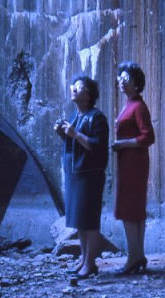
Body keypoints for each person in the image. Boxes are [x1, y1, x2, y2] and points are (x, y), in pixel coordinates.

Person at [54, 75, 109, 278]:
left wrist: (75, 134)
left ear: (89, 95)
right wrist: (63, 134)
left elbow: (97, 146)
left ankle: (90, 262)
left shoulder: (97, 117)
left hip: (89, 175)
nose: (74, 90)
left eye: (80, 88)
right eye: (74, 87)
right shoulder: (75, 115)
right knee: (79, 221)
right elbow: (74, 144)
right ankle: (83, 259)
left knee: (90, 220)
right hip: (75, 174)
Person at [111, 61, 155, 274]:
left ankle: (133, 257)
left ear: (136, 83)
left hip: (134, 162)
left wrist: (122, 144)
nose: (121, 82)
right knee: (134, 210)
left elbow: (148, 136)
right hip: (129, 161)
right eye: (120, 78)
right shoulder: (130, 104)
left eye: (126, 79)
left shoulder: (138, 106)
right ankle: (138, 255)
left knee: (130, 209)